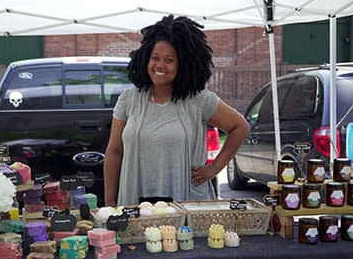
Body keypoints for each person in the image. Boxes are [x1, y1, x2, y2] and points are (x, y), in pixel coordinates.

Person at [104, 15, 250, 207]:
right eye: (155, 58)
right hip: (134, 202)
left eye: (169, 60)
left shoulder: (198, 99)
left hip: (186, 202)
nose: (160, 65)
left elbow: (240, 127)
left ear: (183, 64)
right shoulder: (129, 99)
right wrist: (110, 200)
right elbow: (114, 152)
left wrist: (214, 168)